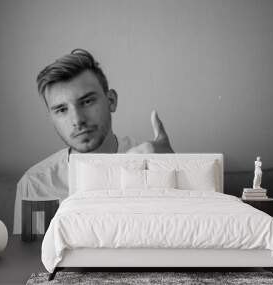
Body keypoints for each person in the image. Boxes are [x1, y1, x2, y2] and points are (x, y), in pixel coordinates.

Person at [13, 49, 174, 234]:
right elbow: (31, 259)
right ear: (51, 118)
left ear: (111, 101)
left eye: (87, 102)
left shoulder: (152, 162)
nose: (77, 120)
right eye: (61, 110)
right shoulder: (35, 184)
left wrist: (175, 172)